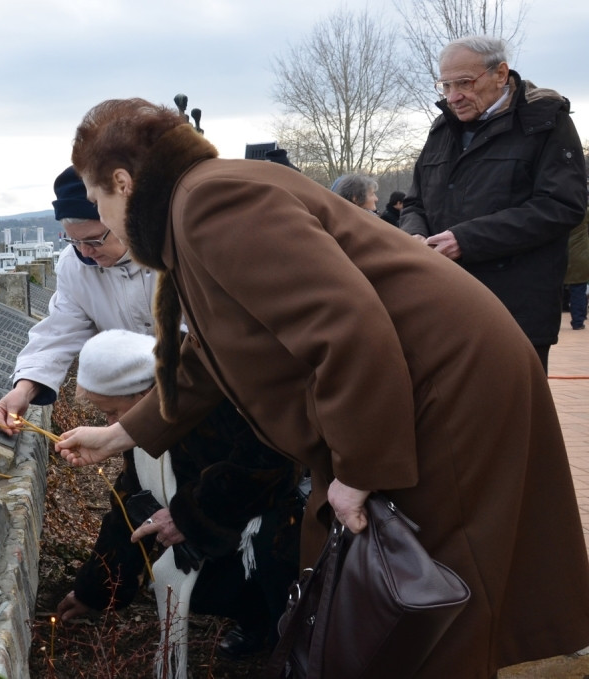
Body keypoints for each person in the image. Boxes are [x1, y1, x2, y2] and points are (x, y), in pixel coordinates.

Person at [54, 97, 589, 678]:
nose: (102, 219)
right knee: (400, 592)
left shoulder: (211, 203)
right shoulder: (197, 205)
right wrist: (120, 434)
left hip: (443, 380)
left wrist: (360, 470)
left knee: (423, 590)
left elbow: (347, 326)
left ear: (124, 182)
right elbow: (209, 355)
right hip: (415, 377)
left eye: (99, 198)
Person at [55, 330, 302, 670]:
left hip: (281, 516)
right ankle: (256, 618)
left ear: (144, 395)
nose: (109, 425)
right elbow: (128, 507)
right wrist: (92, 591)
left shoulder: (219, 403)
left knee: (272, 554)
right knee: (190, 576)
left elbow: (269, 467)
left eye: (112, 412)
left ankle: (293, 640)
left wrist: (190, 516)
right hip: (225, 530)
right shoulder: (144, 436)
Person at [399, 35, 587, 371]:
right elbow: (414, 203)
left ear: (500, 74)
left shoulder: (546, 123)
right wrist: (413, 237)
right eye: (445, 85)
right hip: (440, 305)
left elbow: (561, 205)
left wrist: (466, 240)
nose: (453, 97)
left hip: (514, 311)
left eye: (465, 83)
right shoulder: (441, 129)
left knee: (510, 418)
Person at [0, 166, 158, 433]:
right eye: (74, 240)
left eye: (94, 239)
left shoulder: (171, 251)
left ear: (124, 218)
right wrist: (25, 388)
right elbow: (60, 331)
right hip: (131, 403)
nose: (85, 251)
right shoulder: (75, 264)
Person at [563, 206, 589, 330]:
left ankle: (566, 311)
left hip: (563, 254)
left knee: (559, 289)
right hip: (581, 255)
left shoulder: (561, 211)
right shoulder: (584, 212)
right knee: (579, 288)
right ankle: (578, 320)